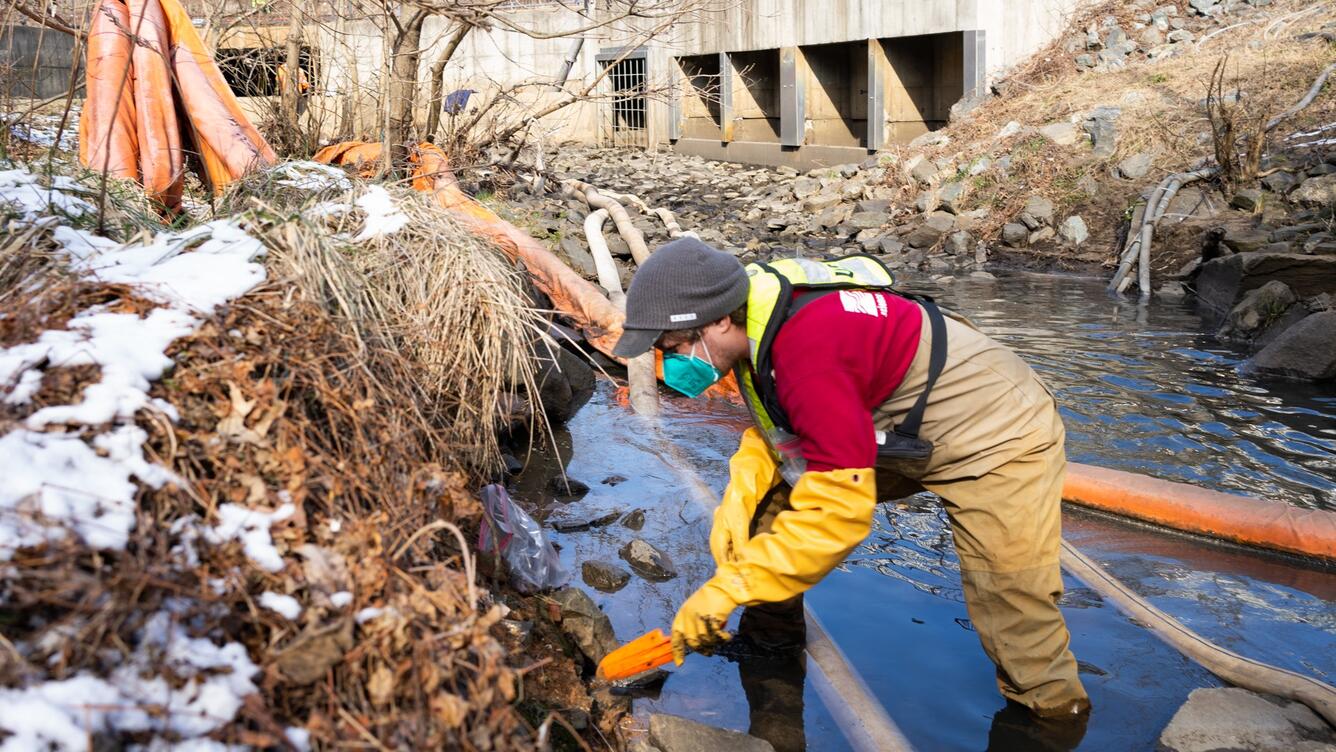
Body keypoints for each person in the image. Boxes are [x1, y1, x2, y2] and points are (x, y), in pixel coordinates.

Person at [611, 237, 1091, 721]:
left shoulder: (809, 351)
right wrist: (737, 508)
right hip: (894, 427)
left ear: (717, 320)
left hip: (997, 430)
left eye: (672, 346)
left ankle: (1054, 716)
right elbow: (776, 436)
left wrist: (729, 587)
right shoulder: (755, 320)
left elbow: (839, 515)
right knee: (766, 512)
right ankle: (771, 649)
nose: (669, 361)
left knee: (1010, 597)